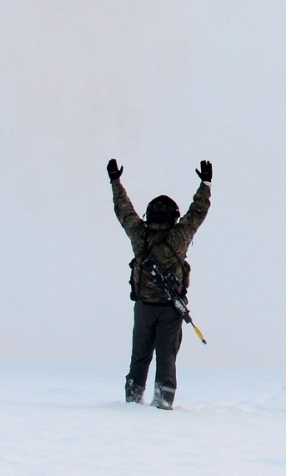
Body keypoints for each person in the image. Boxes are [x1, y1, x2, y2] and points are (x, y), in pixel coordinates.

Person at [107, 157, 211, 408]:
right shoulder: (179, 237)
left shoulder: (139, 235)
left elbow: (124, 210)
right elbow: (197, 213)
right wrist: (205, 184)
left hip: (144, 308)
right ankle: (163, 402)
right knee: (167, 359)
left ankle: (132, 399)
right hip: (170, 310)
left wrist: (115, 181)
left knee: (139, 358)